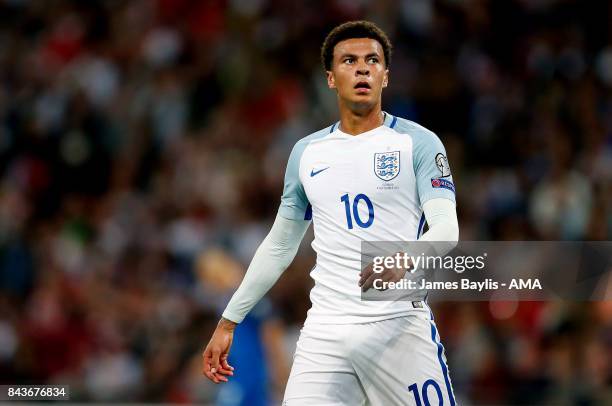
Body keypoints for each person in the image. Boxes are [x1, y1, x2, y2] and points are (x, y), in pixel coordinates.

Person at [203, 20, 459, 405]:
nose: (361, 68)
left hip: (397, 325)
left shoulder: (418, 143)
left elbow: (446, 229)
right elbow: (279, 246)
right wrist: (229, 319)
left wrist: (405, 257)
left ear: (385, 77)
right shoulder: (307, 153)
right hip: (326, 330)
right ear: (330, 78)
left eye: (372, 60)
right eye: (349, 60)